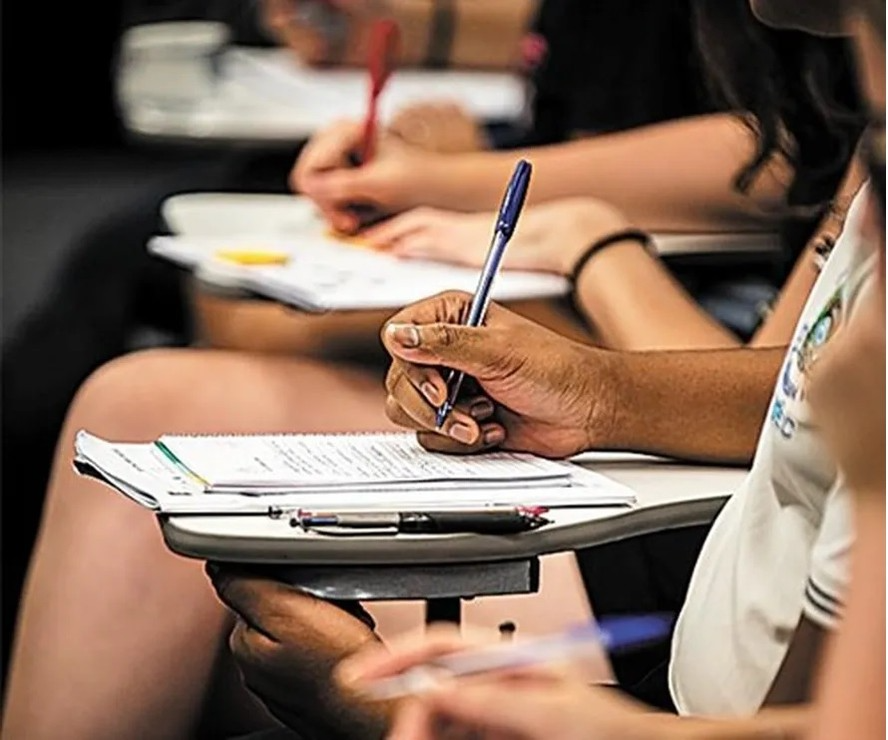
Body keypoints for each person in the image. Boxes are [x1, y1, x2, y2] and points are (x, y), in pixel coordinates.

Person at [0, 4, 870, 740]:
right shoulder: (870, 166)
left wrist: (387, 710)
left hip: (678, 627)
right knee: (151, 360)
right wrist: (597, 393)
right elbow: (792, 377)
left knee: (166, 378)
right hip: (693, 644)